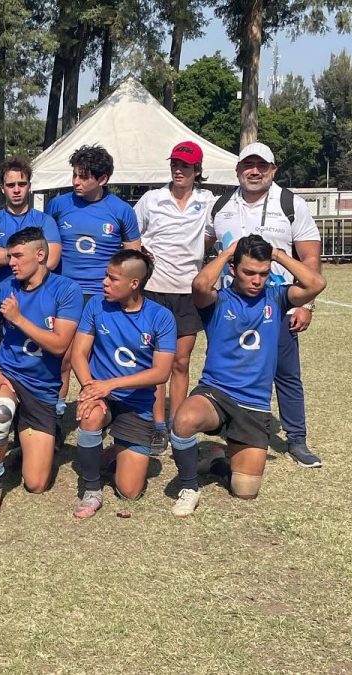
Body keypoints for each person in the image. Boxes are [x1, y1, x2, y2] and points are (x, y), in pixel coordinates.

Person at [169, 235, 326, 516]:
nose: (257, 280)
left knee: (245, 491)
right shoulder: (217, 300)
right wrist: (226, 253)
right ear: (233, 270)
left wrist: (278, 255)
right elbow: (200, 285)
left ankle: (217, 461)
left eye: (263, 274)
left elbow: (316, 284)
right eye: (248, 272)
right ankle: (190, 487)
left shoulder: (277, 297)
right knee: (184, 419)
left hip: (254, 405)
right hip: (216, 393)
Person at [209, 142, 323, 469]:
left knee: (286, 375)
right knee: (230, 373)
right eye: (248, 165)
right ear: (238, 170)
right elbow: (204, 247)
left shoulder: (291, 204)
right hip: (233, 310)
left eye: (262, 165)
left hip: (278, 304)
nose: (254, 171)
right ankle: (232, 431)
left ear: (273, 170)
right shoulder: (220, 206)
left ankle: (297, 438)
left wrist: (307, 305)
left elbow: (310, 256)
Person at [0, 227, 82, 514]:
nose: (11, 263)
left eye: (18, 256)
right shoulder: (1, 290)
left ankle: (23, 443)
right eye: (10, 256)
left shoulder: (66, 290)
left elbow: (59, 346)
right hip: (8, 375)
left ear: (41, 255)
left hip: (42, 389)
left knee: (36, 484)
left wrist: (18, 318)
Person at [70, 249, 176, 519]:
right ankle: (92, 488)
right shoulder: (95, 305)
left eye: (113, 278)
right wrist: (90, 387)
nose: (104, 282)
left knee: (130, 491)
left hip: (135, 404)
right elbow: (78, 354)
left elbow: (161, 372)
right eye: (107, 275)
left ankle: (115, 453)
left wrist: (111, 385)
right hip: (100, 395)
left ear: (134, 284)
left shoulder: (161, 317)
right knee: (92, 416)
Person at [0, 157, 62, 453]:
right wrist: (24, 252)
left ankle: (39, 421)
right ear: (2, 188)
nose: (17, 189)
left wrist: (3, 251)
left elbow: (52, 258)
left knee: (41, 363)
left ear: (29, 186)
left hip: (37, 302)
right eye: (11, 184)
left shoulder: (45, 220)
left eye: (22, 184)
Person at [46, 145, 141, 424]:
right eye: (75, 175)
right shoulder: (58, 205)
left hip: (104, 297)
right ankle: (56, 419)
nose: (76, 181)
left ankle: (110, 413)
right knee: (62, 358)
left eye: (84, 176)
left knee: (105, 358)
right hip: (65, 295)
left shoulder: (122, 210)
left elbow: (132, 257)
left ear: (103, 179)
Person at [133, 141, 215, 455]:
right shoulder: (151, 199)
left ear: (197, 170)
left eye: (185, 165)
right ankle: (155, 427)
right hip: (154, 291)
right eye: (175, 164)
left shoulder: (208, 201)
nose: (179, 170)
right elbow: (132, 234)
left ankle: (177, 424)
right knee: (157, 363)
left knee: (181, 362)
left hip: (188, 293)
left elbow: (211, 235)